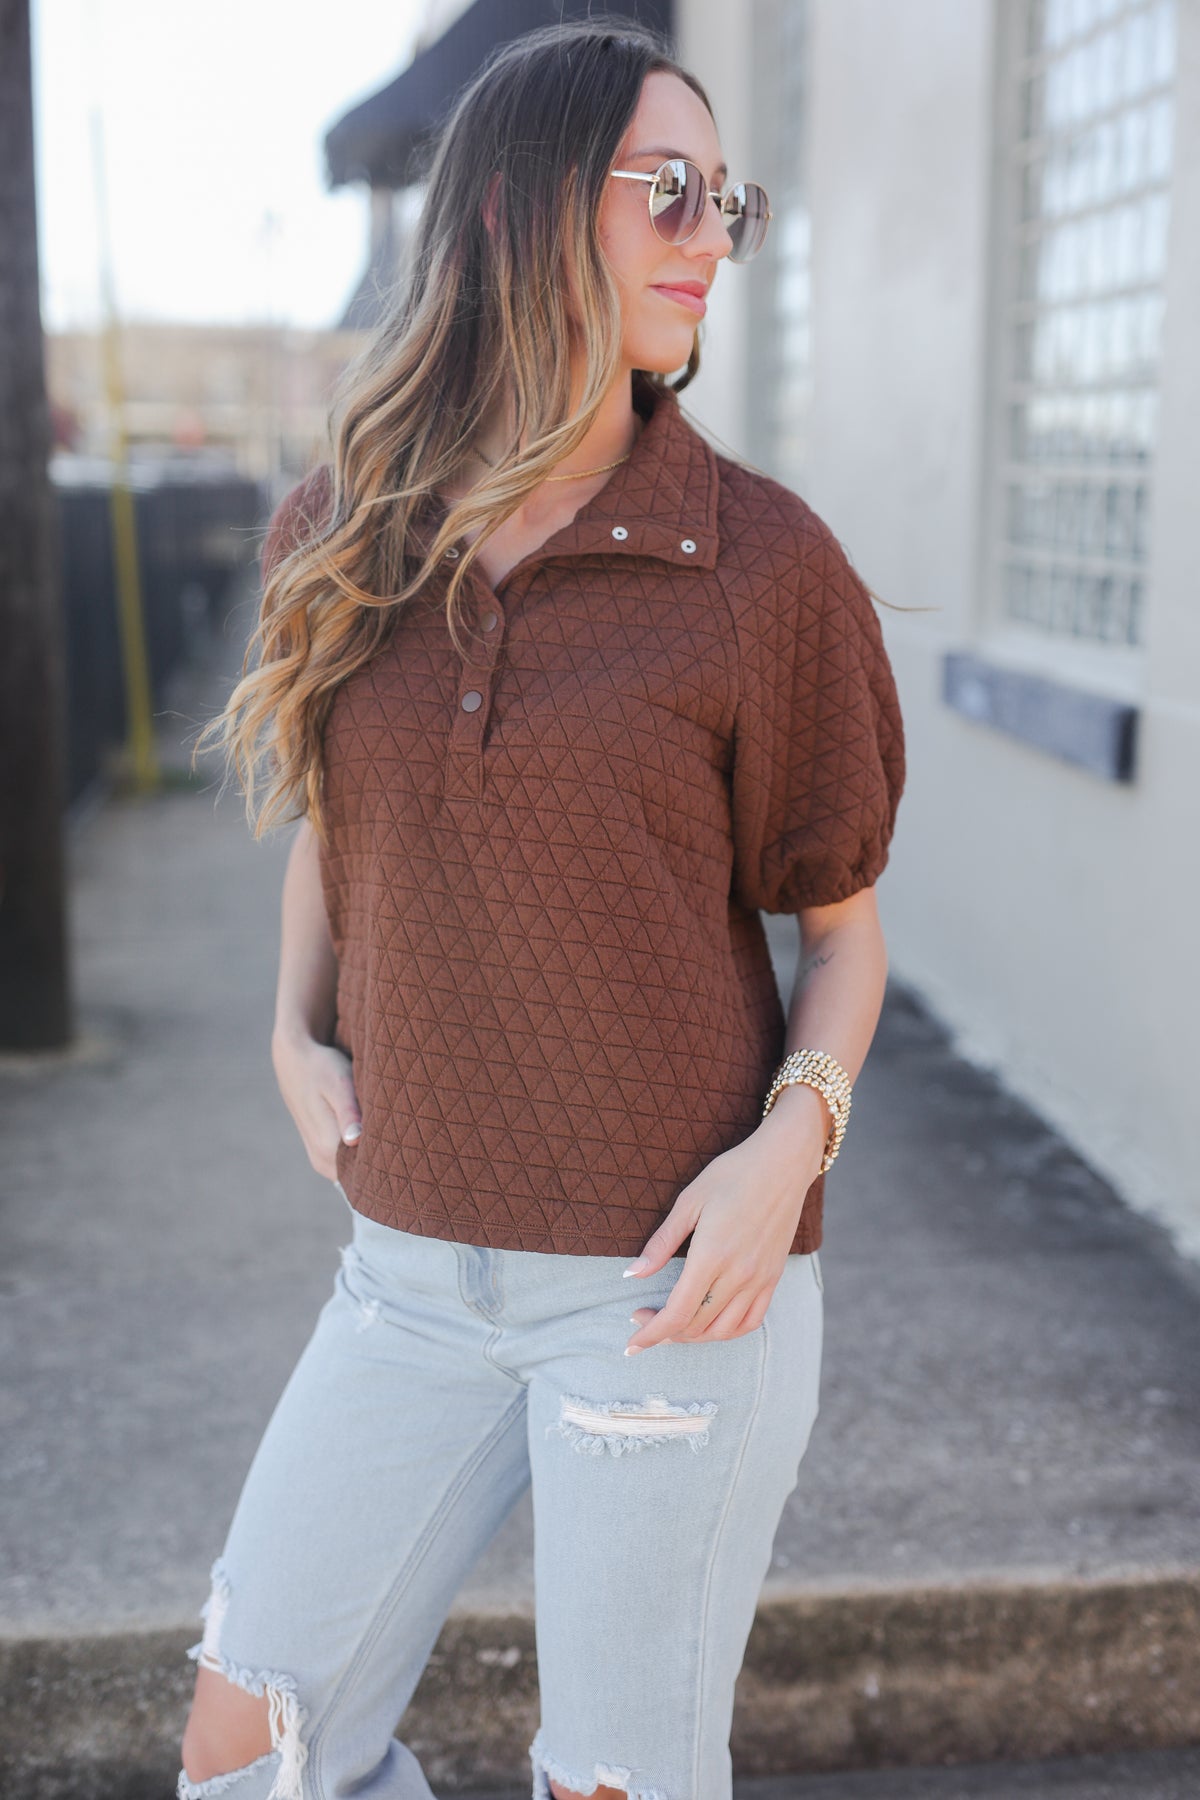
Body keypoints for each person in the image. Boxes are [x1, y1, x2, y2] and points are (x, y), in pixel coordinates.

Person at [179, 18, 906, 1800]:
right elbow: (341, 825)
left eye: (721, 198)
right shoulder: (345, 531)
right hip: (406, 1277)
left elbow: (846, 936)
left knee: (616, 1783)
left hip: (670, 1298)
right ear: (519, 212)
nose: (708, 234)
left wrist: (786, 1155)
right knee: (246, 1752)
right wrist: (290, 1028)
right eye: (666, 190)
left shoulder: (763, 565)